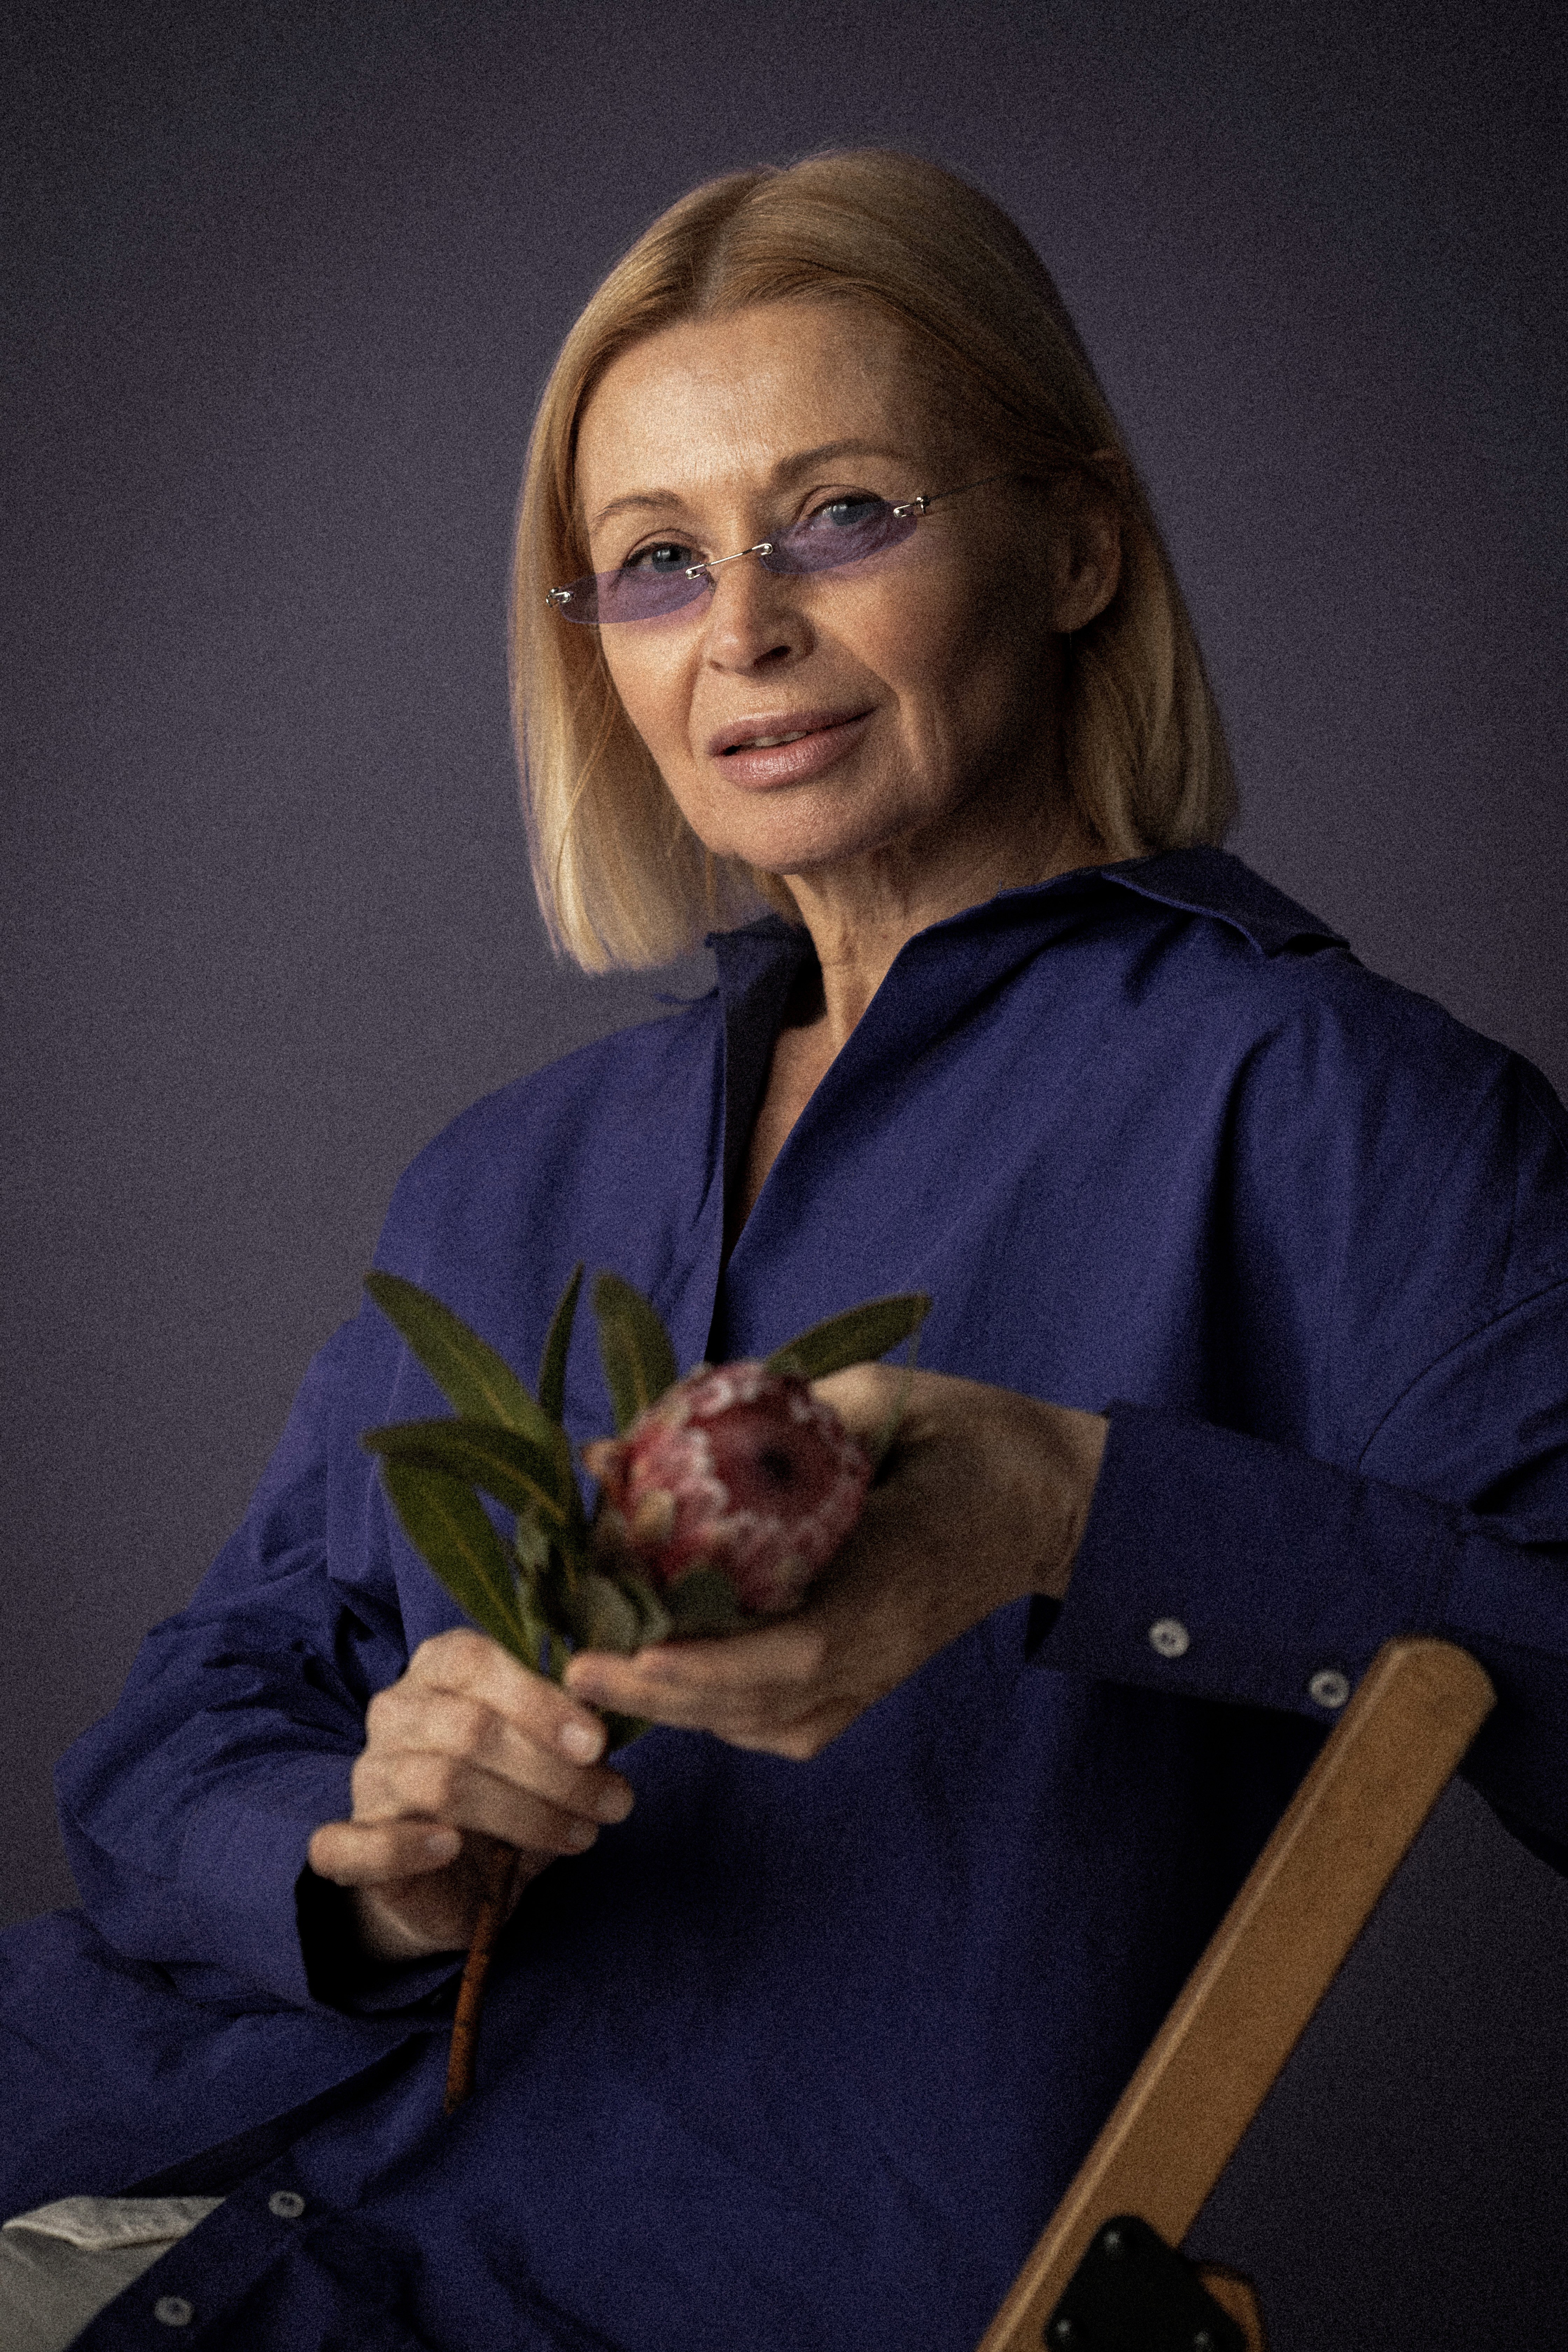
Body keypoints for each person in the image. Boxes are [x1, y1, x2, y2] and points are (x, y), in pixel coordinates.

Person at [3, 148, 1566, 2352]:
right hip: (119, 2149)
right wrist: (357, 1857)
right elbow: (182, 1727)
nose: (741, 628)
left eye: (839, 515)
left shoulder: (1334, 1111)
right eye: (651, 561)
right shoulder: (512, 1167)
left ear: (1077, 544)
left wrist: (1075, 1511)